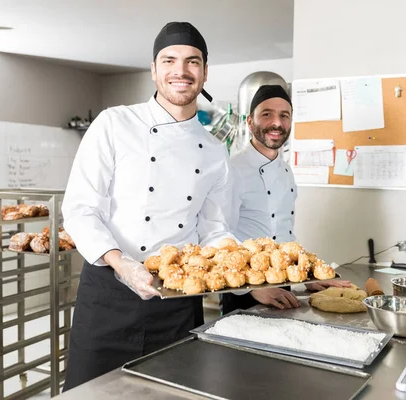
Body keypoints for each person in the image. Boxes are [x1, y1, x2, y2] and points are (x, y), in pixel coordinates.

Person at [61, 21, 236, 391]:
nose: (181, 71)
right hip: (108, 294)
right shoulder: (114, 123)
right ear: (154, 69)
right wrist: (121, 262)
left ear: (205, 73)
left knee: (171, 394)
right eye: (169, 60)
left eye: (192, 62)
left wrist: (248, 266)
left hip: (177, 302)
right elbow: (80, 208)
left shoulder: (215, 151)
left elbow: (216, 230)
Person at [220, 85, 350, 314]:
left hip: (284, 283)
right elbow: (218, 238)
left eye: (284, 115)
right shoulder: (231, 169)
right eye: (267, 114)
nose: (277, 123)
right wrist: (250, 289)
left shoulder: (286, 171)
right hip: (242, 288)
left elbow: (283, 234)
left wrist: (307, 275)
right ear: (250, 122)